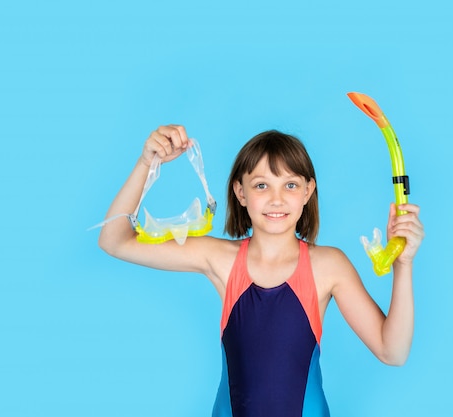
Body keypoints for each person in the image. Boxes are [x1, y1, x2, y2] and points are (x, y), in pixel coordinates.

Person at [98, 125, 425, 417]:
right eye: (261, 186)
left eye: (291, 185)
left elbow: (392, 350)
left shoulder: (328, 266)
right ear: (240, 192)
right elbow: (114, 241)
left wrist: (403, 265)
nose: (277, 199)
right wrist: (147, 163)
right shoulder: (220, 259)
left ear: (308, 191)